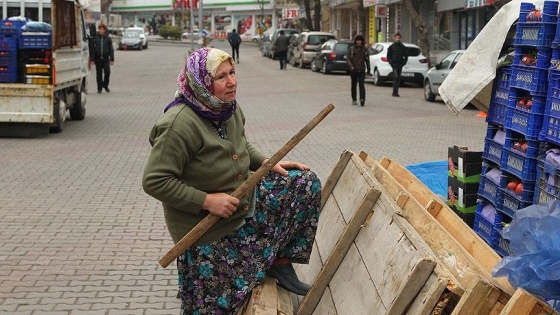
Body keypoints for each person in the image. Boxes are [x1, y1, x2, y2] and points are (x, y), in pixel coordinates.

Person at [142, 47, 321, 314]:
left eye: (233, 73)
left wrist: (268, 164)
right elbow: (155, 180)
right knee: (219, 306)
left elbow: (241, 145)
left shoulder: (227, 110)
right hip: (207, 231)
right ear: (202, 83)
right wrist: (207, 201)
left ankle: (279, 261)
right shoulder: (178, 124)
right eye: (222, 77)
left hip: (240, 207)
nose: (232, 82)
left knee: (304, 182)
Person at [89, 23, 114, 94]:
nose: (101, 31)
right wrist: (92, 59)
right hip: (98, 58)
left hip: (106, 58)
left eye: (102, 29)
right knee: (99, 74)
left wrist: (112, 59)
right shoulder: (96, 38)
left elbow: (111, 49)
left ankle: (105, 85)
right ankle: (99, 88)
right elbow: (92, 49)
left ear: (105, 30)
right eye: (100, 29)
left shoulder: (108, 39)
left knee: (107, 72)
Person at [347, 34, 370, 106]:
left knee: (361, 85)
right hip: (353, 70)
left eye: (360, 40)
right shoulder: (351, 49)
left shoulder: (365, 49)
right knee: (353, 85)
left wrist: (368, 69)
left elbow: (367, 59)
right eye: (357, 40)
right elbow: (348, 59)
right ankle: (354, 99)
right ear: (355, 41)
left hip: (361, 69)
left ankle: (362, 99)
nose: (359, 42)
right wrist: (351, 67)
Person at [387, 33, 408, 97]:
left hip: (400, 64)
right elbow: (388, 56)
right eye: (396, 37)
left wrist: (403, 64)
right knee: (395, 77)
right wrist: (391, 63)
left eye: (399, 37)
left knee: (398, 78)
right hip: (394, 64)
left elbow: (406, 56)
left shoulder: (402, 47)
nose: (397, 39)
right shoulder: (391, 47)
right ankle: (394, 92)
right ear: (394, 38)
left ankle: (396, 91)